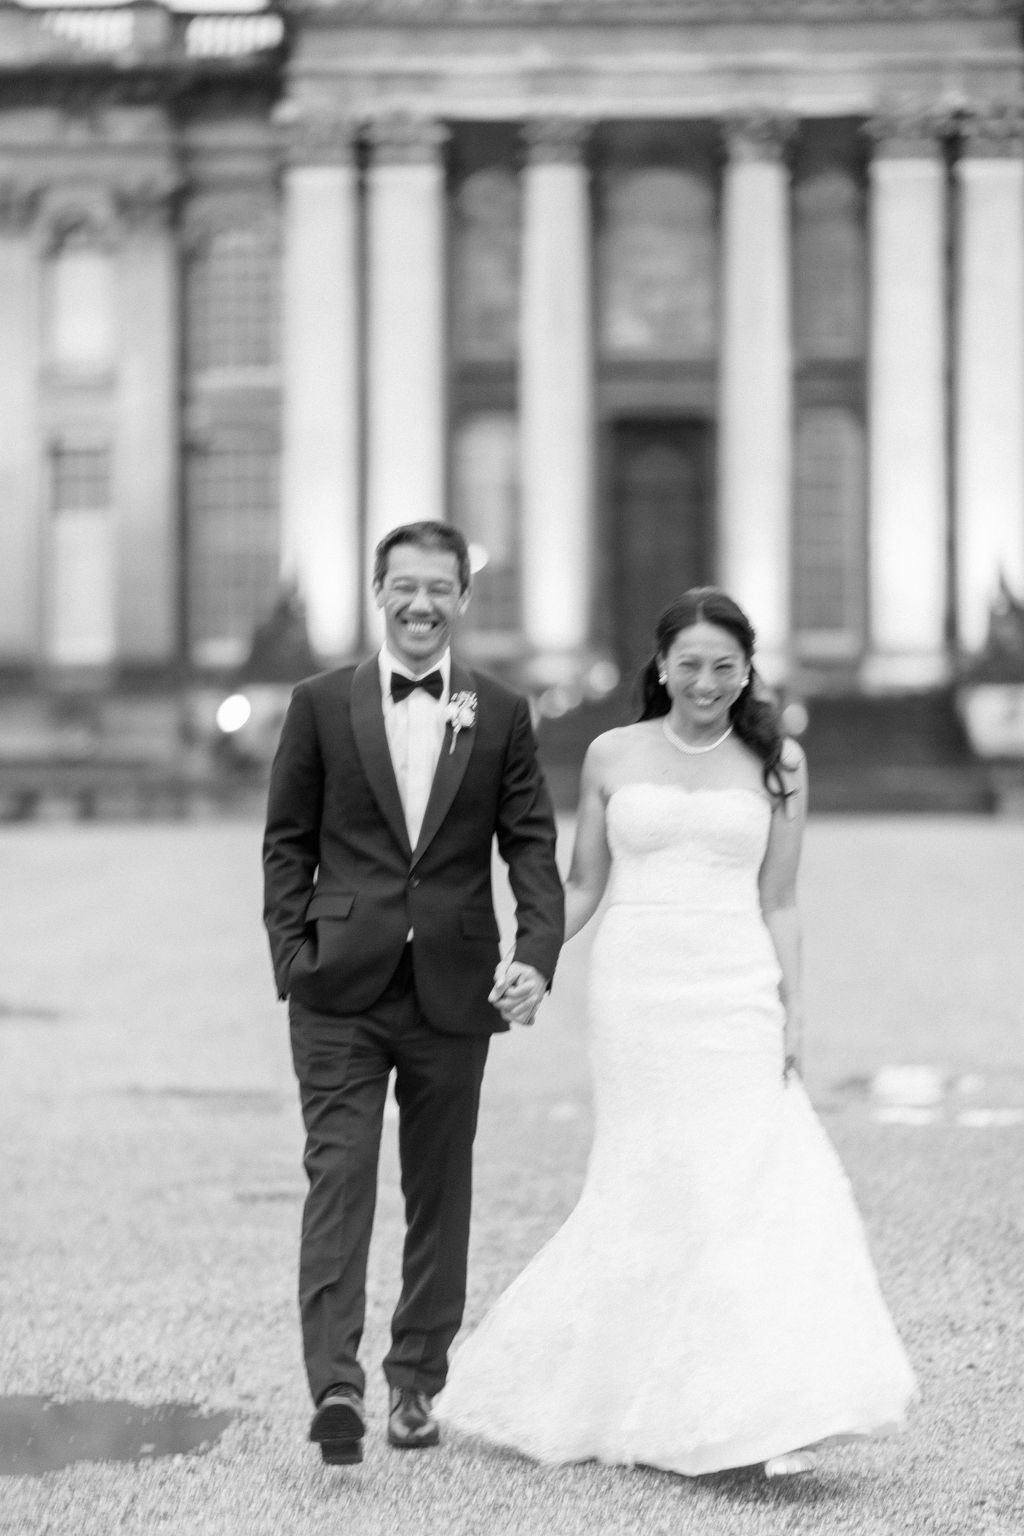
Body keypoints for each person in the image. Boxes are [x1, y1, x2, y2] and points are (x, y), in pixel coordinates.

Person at [438, 586, 918, 1479]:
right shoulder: (614, 753)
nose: (705, 682)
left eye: (724, 667)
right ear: (661, 667)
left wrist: (794, 1012)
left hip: (735, 990)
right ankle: (638, 1394)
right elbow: (583, 882)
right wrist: (531, 958)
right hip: (637, 992)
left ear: (747, 672)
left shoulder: (781, 762)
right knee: (652, 1178)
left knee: (747, 1181)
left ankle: (758, 1410)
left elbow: (781, 899)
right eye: (689, 665)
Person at [262, 521, 564, 1466]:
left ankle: (416, 1386)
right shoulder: (318, 703)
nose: (422, 604)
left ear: (463, 597)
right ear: (378, 591)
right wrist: (293, 959)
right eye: (405, 587)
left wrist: (537, 955)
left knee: (440, 1188)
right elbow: (286, 841)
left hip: (453, 985)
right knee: (339, 1175)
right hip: (337, 990)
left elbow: (531, 846)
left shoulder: (504, 711)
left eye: (440, 588)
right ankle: (337, 1389)